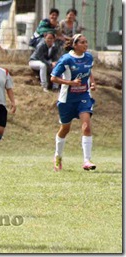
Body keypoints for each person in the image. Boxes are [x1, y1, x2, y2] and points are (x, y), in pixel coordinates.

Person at [50, 34, 97, 172]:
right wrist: (70, 83)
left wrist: (92, 83)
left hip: (84, 96)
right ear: (75, 45)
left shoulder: (88, 57)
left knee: (86, 126)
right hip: (67, 99)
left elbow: (89, 72)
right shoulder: (67, 59)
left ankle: (87, 160)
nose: (85, 44)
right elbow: (53, 78)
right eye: (82, 42)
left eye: (86, 42)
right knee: (65, 129)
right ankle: (57, 157)